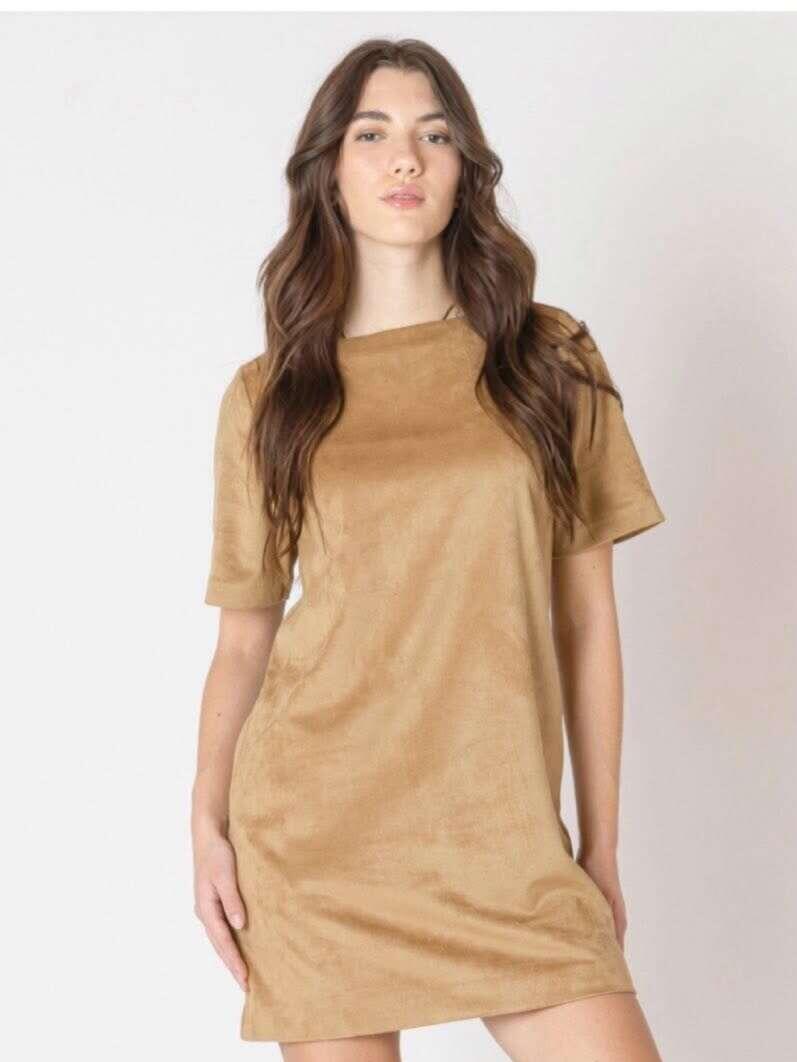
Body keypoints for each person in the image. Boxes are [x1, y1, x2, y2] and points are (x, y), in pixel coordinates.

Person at [191, 38, 666, 1062]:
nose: (404, 158)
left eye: (433, 135)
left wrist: (599, 847)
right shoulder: (270, 398)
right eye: (372, 134)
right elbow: (243, 642)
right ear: (329, 171)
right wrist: (205, 828)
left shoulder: (548, 361)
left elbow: (587, 621)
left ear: (463, 171)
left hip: (504, 845)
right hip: (315, 842)